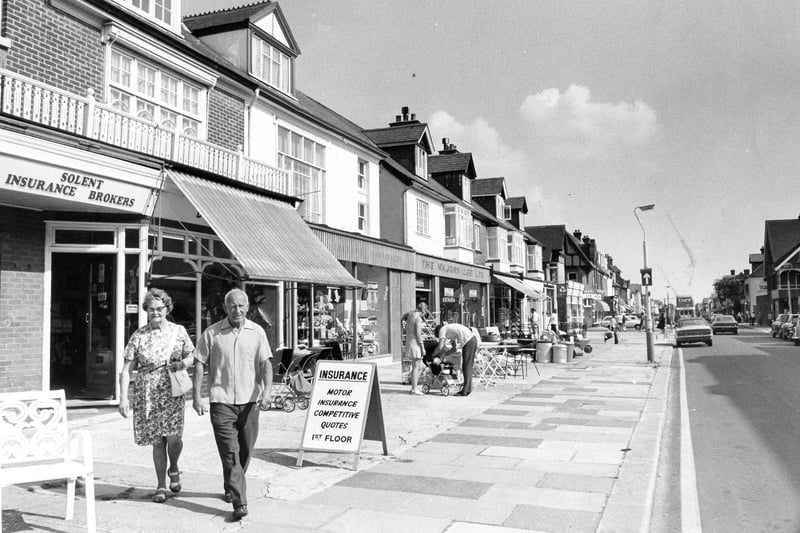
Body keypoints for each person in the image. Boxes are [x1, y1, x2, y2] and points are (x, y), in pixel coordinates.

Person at [193, 288, 273, 522]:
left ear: (247, 307)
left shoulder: (257, 332)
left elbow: (266, 363)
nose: (237, 310)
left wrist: (267, 391)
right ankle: (240, 502)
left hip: (250, 402)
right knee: (230, 452)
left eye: (241, 306)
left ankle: (232, 483)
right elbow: (199, 363)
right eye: (232, 306)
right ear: (225, 308)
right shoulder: (212, 333)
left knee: (246, 449)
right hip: (221, 401)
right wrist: (197, 396)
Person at [119, 288, 195, 504]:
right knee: (157, 441)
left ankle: (174, 467)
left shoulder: (178, 331)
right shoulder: (139, 335)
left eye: (160, 308)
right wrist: (124, 398)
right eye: (151, 309)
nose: (155, 313)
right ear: (146, 310)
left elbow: (192, 355)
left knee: (174, 437)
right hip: (147, 393)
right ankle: (161, 485)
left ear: (167, 308)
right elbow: (126, 370)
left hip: (172, 389)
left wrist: (183, 363)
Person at [432, 323, 478, 396]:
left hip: (468, 341)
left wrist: (433, 355)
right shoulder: (450, 330)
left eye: (439, 337)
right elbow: (454, 349)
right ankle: (468, 388)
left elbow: (440, 346)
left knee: (466, 366)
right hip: (472, 339)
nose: (441, 337)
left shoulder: (442, 330)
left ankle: (465, 391)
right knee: (468, 366)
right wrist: (443, 355)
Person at [404, 304, 425, 395]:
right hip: (415, 344)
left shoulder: (410, 316)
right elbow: (418, 333)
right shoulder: (418, 318)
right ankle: (414, 388)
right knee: (417, 367)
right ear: (423, 311)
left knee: (419, 366)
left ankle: (414, 387)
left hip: (410, 342)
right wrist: (422, 347)